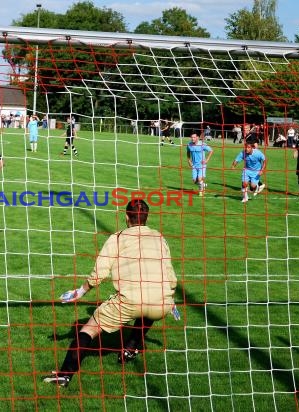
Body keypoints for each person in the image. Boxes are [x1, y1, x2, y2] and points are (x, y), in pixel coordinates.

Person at [43, 199, 179, 387]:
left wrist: (80, 291)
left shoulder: (118, 237)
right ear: (147, 217)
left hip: (130, 301)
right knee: (149, 303)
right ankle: (130, 348)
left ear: (126, 216)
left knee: (89, 329)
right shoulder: (159, 237)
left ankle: (64, 375)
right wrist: (170, 298)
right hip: (162, 302)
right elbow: (169, 272)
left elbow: (99, 272)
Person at [187, 132, 213, 196]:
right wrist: (189, 161)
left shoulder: (202, 144)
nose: (192, 139)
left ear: (197, 138)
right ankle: (203, 185)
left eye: (194, 137)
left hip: (202, 165)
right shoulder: (189, 145)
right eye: (192, 137)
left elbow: (211, 150)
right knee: (194, 181)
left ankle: (201, 192)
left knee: (199, 179)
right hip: (194, 165)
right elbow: (188, 152)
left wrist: (207, 160)